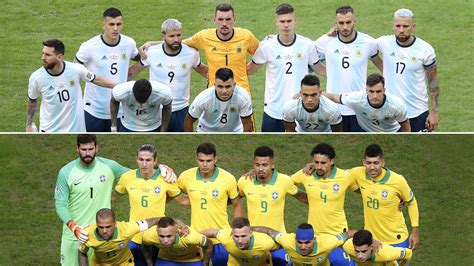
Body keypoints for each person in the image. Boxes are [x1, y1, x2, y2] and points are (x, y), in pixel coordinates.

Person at [54, 134, 175, 266]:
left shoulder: (109, 166)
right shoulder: (66, 172)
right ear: (77, 149)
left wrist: (161, 167)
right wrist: (74, 227)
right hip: (75, 235)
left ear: (97, 148)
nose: (87, 153)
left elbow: (139, 173)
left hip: (104, 234)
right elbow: (60, 204)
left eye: (91, 149)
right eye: (83, 149)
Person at [247, 3, 326, 132]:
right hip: (273, 109)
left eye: (289, 21)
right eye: (282, 21)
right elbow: (250, 69)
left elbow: (319, 68)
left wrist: (343, 72)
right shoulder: (266, 46)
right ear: (276, 22)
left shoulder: (307, 45)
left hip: (299, 109)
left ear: (295, 21)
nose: (286, 25)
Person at [127, 18, 208, 132]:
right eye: (172, 36)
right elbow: (133, 71)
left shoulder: (191, 53)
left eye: (179, 35)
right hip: (156, 108)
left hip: (180, 110)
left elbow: (204, 70)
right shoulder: (152, 52)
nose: (176, 39)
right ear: (163, 36)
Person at [115, 144, 190, 266]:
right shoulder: (127, 178)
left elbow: (182, 200)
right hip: (136, 237)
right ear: (136, 159)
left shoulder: (166, 179)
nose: (144, 164)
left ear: (155, 161)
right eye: (141, 159)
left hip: (159, 237)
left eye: (148, 160)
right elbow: (113, 197)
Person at [315, 6, 383, 132]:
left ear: (354, 21)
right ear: (335, 23)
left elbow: (381, 64)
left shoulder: (368, 42)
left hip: (360, 106)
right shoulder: (326, 42)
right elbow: (304, 52)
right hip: (333, 108)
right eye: (341, 23)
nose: (345, 27)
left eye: (348, 22)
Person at [26, 39, 116, 132]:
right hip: (50, 131)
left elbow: (96, 79)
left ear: (59, 57)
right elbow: (32, 102)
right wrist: (29, 125)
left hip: (76, 130)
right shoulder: (36, 78)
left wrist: (120, 86)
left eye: (47, 55)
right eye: (43, 53)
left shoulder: (75, 70)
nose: (43, 57)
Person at [177, 142, 245, 265]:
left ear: (215, 159)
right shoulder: (186, 176)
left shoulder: (227, 178)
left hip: (221, 237)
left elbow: (237, 204)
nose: (204, 164)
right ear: (196, 159)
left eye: (208, 161)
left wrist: (237, 228)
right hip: (197, 236)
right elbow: (172, 192)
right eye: (201, 160)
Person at [238, 146, 308, 265]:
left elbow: (303, 197)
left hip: (278, 240)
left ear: (272, 165)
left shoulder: (284, 181)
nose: (261, 168)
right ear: (253, 165)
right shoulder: (244, 181)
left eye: (265, 165)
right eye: (257, 165)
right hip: (255, 241)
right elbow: (232, 199)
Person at [292, 143, 358, 265]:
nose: (319, 167)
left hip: (337, 233)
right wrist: (302, 196)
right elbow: (284, 183)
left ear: (332, 161)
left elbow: (364, 191)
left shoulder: (345, 176)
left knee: (339, 262)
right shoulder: (306, 174)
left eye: (323, 163)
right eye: (316, 162)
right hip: (314, 235)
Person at [75, 7, 139, 132]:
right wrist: (92, 78)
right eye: (111, 24)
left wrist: (151, 44)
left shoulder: (129, 43)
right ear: (103, 25)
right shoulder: (89, 46)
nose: (115, 28)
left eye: (118, 24)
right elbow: (75, 67)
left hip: (121, 110)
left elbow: (141, 58)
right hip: (93, 110)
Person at [375, 9, 440, 132]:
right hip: (391, 113)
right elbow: (362, 45)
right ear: (393, 26)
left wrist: (434, 112)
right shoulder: (384, 42)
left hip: (417, 113)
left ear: (413, 26)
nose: (401, 30)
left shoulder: (425, 49)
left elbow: (433, 83)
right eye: (398, 26)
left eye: (405, 26)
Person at [349, 144, 419, 250]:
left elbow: (411, 202)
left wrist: (415, 231)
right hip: (372, 241)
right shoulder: (357, 173)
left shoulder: (398, 180)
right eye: (368, 163)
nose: (372, 167)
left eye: (376, 163)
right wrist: (315, 166)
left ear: (382, 162)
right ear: (363, 162)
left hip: (397, 241)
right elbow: (338, 175)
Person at [324, 73, 411, 132]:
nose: (375, 96)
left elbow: (405, 124)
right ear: (366, 91)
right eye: (371, 91)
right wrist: (315, 93)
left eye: (378, 91)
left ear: (384, 90)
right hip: (366, 132)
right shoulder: (357, 99)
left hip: (392, 132)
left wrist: (406, 141)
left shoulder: (397, 105)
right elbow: (334, 97)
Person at [78, 208, 162, 266]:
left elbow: (149, 222)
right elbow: (82, 252)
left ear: (115, 224)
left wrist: (171, 222)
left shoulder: (126, 229)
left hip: (124, 263)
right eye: (101, 227)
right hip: (100, 264)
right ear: (96, 224)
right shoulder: (86, 234)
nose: (104, 231)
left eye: (108, 227)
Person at [184, 67, 254, 132]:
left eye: (228, 86)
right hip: (206, 131)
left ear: (234, 85)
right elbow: (188, 120)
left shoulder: (243, 97)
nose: (224, 91)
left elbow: (247, 123)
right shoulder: (204, 98)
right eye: (220, 86)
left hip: (235, 132)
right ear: (215, 85)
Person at [252, 223, 355, 266]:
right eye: (299, 242)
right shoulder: (287, 240)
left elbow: (348, 234)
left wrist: (370, 240)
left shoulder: (328, 242)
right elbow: (269, 231)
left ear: (314, 239)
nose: (303, 247)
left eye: (307, 243)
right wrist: (249, 229)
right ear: (295, 239)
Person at [201, 217, 279, 266]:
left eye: (243, 236)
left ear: (251, 233)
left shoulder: (265, 242)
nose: (240, 241)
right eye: (236, 236)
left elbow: (282, 243)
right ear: (232, 234)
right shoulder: (226, 237)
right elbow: (212, 232)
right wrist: (192, 235)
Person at [142, 216, 213, 266]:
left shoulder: (189, 236)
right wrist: (149, 263)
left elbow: (209, 243)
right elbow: (145, 244)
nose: (165, 240)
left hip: (192, 259)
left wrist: (205, 263)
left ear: (176, 231)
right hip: (166, 258)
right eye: (161, 236)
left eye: (169, 236)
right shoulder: (150, 235)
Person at [343, 230, 413, 266]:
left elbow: (409, 254)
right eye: (357, 251)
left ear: (371, 247)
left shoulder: (385, 254)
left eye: (364, 251)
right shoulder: (347, 247)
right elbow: (345, 235)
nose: (360, 256)